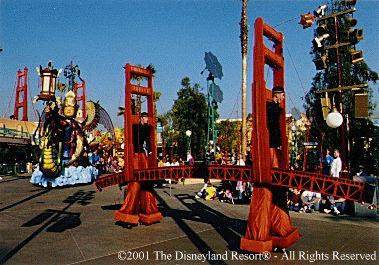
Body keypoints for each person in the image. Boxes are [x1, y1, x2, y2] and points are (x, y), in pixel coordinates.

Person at [267, 86, 285, 168]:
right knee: (275, 165)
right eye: (282, 95)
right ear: (276, 95)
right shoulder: (271, 108)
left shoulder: (276, 108)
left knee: (278, 162)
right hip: (271, 139)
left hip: (274, 139)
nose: (283, 97)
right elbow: (273, 125)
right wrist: (278, 141)